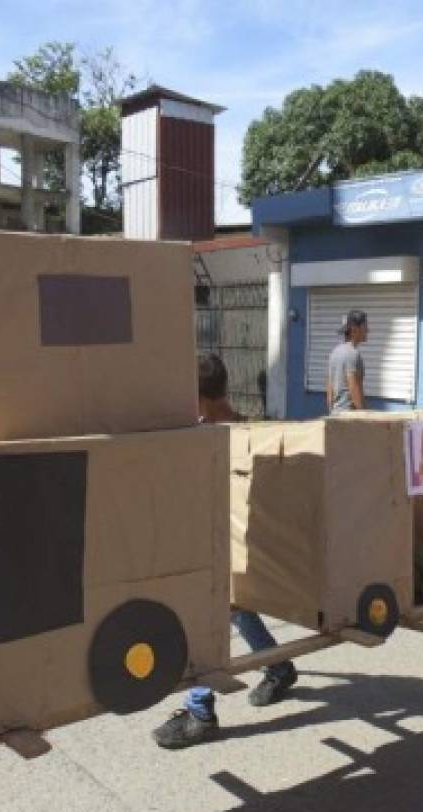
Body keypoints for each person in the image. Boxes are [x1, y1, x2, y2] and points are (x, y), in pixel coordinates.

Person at [152, 354, 298, 750]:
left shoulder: (225, 439)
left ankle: (200, 709)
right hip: (216, 547)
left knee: (203, 624)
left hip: (220, 550)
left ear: (201, 397)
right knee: (235, 611)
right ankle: (278, 665)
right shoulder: (239, 429)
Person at [326, 310, 368, 413]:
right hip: (349, 417)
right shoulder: (353, 354)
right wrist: (364, 415)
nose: (368, 330)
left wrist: (332, 414)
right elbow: (353, 387)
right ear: (354, 329)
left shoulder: (335, 352)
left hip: (335, 415)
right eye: (365, 326)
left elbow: (330, 389)